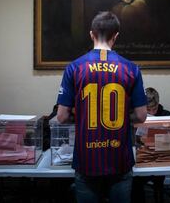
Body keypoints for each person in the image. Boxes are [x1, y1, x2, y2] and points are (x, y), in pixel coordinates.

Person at [56, 11, 148, 203]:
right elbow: (141, 116)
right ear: (116, 36)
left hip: (87, 159)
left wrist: (84, 115)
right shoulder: (132, 68)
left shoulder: (74, 68)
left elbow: (62, 117)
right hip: (119, 158)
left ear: (91, 34)